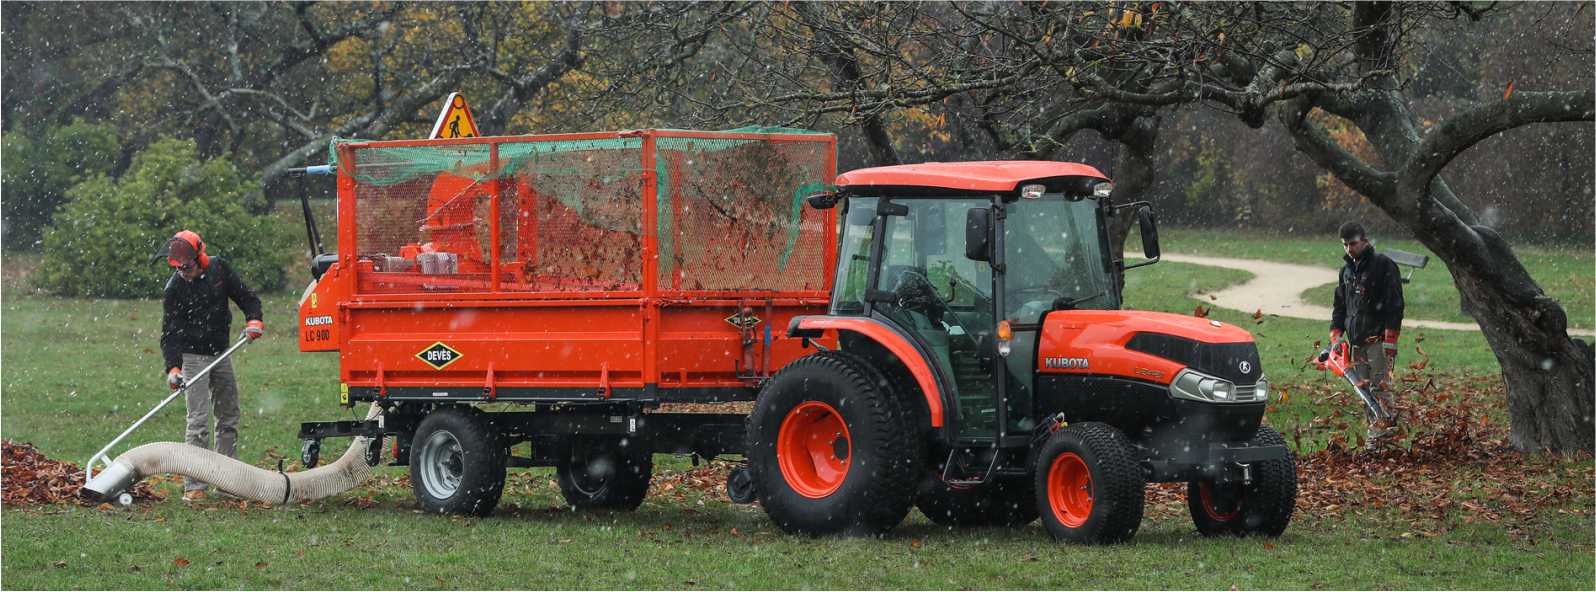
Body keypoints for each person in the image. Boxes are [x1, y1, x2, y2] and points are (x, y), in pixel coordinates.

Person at [158, 230, 264, 501]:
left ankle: (227, 481)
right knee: (197, 421)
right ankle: (195, 486)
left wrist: (254, 320)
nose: (182, 272)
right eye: (178, 268)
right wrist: (173, 368)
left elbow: (247, 297)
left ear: (200, 258)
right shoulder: (174, 289)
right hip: (192, 357)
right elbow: (169, 333)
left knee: (228, 415)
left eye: (187, 267)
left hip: (221, 353)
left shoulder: (219, 269)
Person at [1329, 222, 1405, 449]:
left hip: (1379, 339)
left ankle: (1385, 438)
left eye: (1353, 244)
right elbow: (1340, 307)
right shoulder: (1346, 271)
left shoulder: (1383, 265)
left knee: (1380, 389)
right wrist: (1336, 336)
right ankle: (1376, 435)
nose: (1349, 249)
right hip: (1356, 342)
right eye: (1345, 245)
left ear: (1365, 241)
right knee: (1363, 391)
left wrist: (1390, 340)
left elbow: (1395, 304)